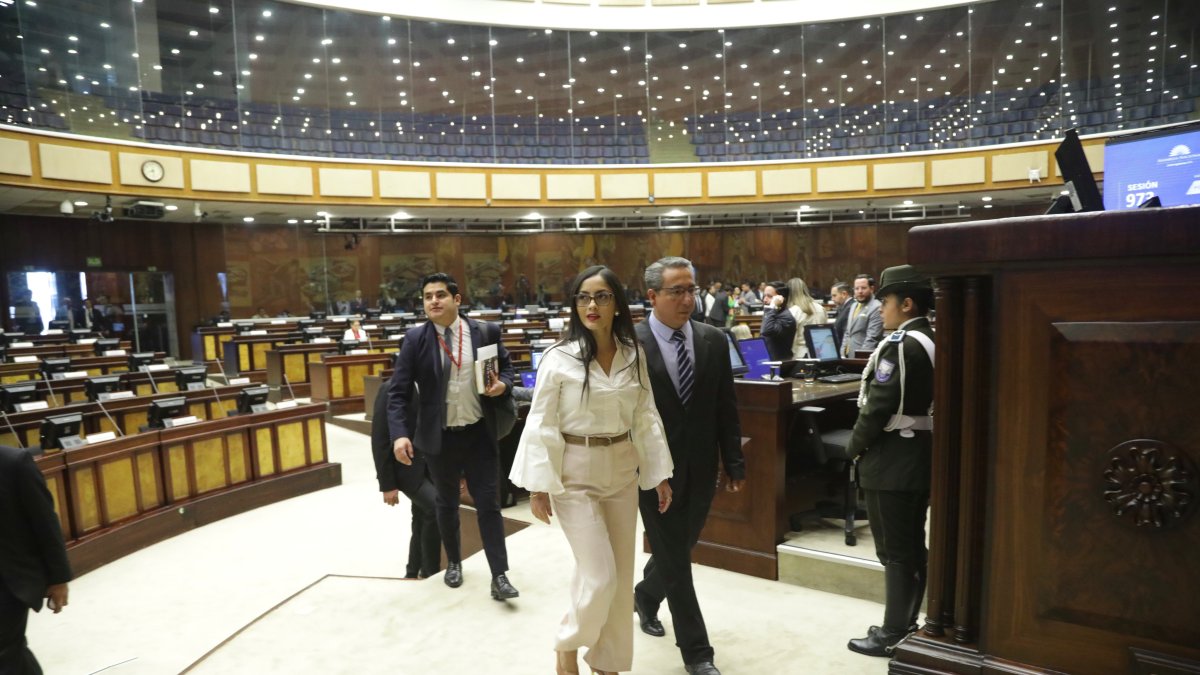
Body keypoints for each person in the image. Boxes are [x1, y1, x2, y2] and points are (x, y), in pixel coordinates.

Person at [510, 265, 674, 675]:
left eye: (601, 296)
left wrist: (659, 474)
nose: (592, 305)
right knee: (598, 575)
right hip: (575, 473)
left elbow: (646, 417)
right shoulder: (558, 357)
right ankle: (567, 644)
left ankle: (608, 663)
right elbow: (541, 422)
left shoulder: (633, 354)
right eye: (583, 297)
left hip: (622, 471)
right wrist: (538, 486)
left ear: (617, 303)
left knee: (619, 582)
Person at [634, 257, 746, 675]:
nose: (687, 300)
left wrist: (733, 460)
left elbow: (725, 407)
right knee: (678, 563)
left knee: (680, 546)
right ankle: (698, 653)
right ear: (652, 296)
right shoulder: (630, 342)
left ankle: (645, 595)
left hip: (701, 465)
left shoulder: (713, 339)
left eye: (691, 290)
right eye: (676, 291)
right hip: (650, 469)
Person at [385, 272, 520, 600]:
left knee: (488, 504)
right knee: (446, 504)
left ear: (457, 300)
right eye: (428, 296)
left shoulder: (485, 332)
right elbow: (398, 393)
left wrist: (503, 385)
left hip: (478, 433)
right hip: (439, 438)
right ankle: (455, 562)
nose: (433, 301)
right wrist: (400, 434)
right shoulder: (415, 339)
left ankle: (500, 575)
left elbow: (508, 370)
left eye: (440, 295)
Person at [845, 265, 935, 657]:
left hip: (892, 459)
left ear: (908, 303)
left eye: (885, 301)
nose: (881, 309)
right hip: (917, 454)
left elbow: (878, 406)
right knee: (912, 546)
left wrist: (852, 449)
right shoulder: (930, 338)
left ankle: (893, 632)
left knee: (895, 551)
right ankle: (907, 623)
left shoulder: (901, 344)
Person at [0, 445, 73, 674]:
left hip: (10, 580)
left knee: (6, 651)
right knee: (12, 652)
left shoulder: (14, 463)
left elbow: (46, 523)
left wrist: (59, 578)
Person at [370, 388, 441, 580]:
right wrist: (387, 485)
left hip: (431, 467)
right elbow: (380, 440)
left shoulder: (432, 384)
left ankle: (412, 571)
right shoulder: (390, 390)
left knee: (421, 517)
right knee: (436, 508)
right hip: (406, 470)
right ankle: (431, 571)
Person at [842, 274, 883, 357]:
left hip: (861, 359)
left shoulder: (877, 307)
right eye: (857, 288)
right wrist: (842, 353)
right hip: (847, 357)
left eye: (863, 288)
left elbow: (872, 339)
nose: (859, 291)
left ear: (871, 289)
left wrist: (860, 360)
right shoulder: (854, 305)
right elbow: (848, 333)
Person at [786, 278, 828, 358]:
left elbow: (792, 340)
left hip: (800, 355)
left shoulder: (793, 311)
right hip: (820, 352)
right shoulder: (820, 308)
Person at [759, 280, 797, 361]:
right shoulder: (774, 313)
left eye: (769, 296)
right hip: (769, 363)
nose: (765, 300)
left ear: (781, 299)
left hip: (781, 367)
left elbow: (766, 331)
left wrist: (772, 307)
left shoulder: (786, 318)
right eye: (764, 296)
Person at [829, 282, 853, 347]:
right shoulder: (845, 307)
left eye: (834, 295)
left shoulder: (850, 308)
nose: (832, 299)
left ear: (844, 294)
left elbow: (846, 333)